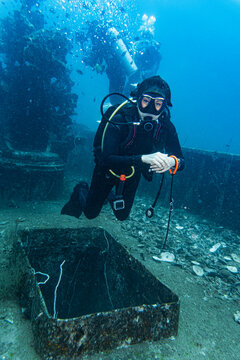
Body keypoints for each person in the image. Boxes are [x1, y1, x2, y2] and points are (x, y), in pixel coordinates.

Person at [61, 75, 184, 221]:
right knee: (90, 213)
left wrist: (172, 162)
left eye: (158, 104)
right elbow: (105, 159)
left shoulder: (165, 127)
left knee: (122, 216)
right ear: (138, 100)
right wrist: (142, 158)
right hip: (107, 170)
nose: (151, 109)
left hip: (132, 173)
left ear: (164, 106)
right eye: (146, 101)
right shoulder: (120, 119)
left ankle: (107, 195)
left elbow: (181, 160)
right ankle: (81, 188)